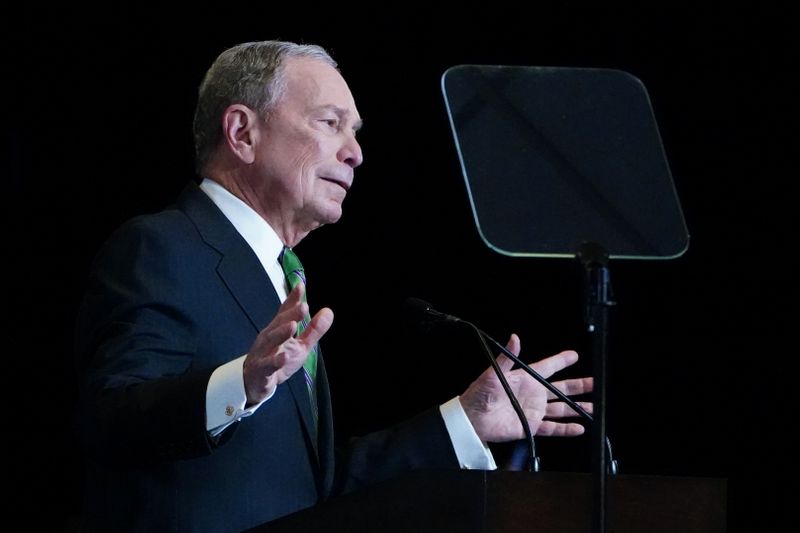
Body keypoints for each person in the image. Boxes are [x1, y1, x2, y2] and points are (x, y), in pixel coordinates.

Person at [74, 40, 593, 532]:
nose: (356, 153)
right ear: (242, 133)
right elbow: (111, 421)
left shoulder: (282, 278)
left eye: (356, 131)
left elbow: (313, 491)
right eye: (330, 123)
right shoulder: (161, 247)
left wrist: (463, 422)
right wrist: (240, 384)